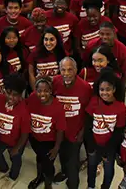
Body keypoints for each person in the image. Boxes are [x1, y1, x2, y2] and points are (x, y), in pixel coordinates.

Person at [52, 58, 92, 189]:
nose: (66, 73)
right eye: (63, 69)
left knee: (72, 162)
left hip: (74, 133)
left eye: (70, 69)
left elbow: (88, 112)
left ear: (76, 70)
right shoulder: (55, 82)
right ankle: (64, 173)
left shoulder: (85, 88)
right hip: (58, 131)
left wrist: (82, 132)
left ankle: (73, 184)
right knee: (62, 155)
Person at [85, 71, 126, 189]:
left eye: (108, 89)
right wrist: (91, 145)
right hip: (94, 144)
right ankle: (91, 186)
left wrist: (107, 150)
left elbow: (118, 131)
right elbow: (88, 125)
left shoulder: (121, 108)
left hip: (109, 147)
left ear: (114, 89)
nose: (104, 93)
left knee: (108, 171)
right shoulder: (94, 102)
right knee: (92, 167)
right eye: (101, 89)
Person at [0, 74, 30, 187]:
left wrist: (17, 148)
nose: (10, 97)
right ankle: (4, 169)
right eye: (8, 93)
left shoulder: (24, 110)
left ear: (21, 94)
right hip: (0, 137)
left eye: (15, 95)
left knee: (15, 159)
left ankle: (13, 177)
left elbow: (25, 133)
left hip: (17, 142)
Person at [27, 76, 67, 189]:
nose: (42, 94)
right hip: (35, 138)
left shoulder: (57, 107)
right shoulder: (32, 97)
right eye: (39, 91)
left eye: (46, 91)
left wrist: (56, 148)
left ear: (51, 91)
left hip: (49, 142)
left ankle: (48, 185)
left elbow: (60, 130)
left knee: (48, 165)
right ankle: (39, 177)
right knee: (39, 158)